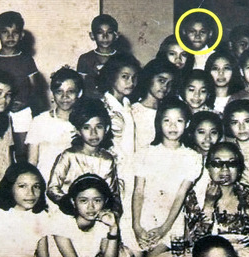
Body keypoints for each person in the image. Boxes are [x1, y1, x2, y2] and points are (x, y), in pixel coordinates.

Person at [184, 142, 249, 250]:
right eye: (218, 164)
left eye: (232, 163)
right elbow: (195, 241)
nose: (225, 169)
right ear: (208, 167)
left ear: (239, 169)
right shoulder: (195, 196)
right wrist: (209, 204)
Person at [132, 97, 202, 255]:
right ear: (159, 123)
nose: (172, 126)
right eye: (167, 121)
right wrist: (137, 226)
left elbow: (180, 195)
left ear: (187, 124)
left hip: (171, 220)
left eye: (179, 121)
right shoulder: (145, 152)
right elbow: (138, 191)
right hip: (142, 217)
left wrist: (164, 228)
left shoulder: (192, 157)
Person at [53, 174, 121, 257]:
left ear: (105, 201)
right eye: (84, 201)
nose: (91, 207)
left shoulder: (103, 223)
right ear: (73, 201)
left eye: (97, 200)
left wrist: (113, 228)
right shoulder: (61, 222)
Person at [0, 11, 39, 153]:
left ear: (22, 35)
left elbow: (36, 89)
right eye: (5, 32)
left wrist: (24, 103)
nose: (10, 36)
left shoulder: (26, 60)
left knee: (22, 149)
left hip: (21, 110)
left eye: (15, 32)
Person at [46, 98, 119, 204]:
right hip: (68, 214)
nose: (93, 133)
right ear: (78, 131)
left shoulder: (107, 159)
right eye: (86, 127)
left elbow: (113, 195)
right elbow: (52, 188)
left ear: (106, 129)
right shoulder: (69, 156)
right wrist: (71, 205)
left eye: (98, 127)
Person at [26, 67, 83, 180]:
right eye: (59, 92)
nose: (64, 97)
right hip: (46, 186)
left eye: (70, 91)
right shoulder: (39, 122)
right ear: (53, 94)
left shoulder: (85, 123)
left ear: (79, 93)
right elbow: (32, 162)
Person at [98, 53, 141, 186]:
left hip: (130, 169)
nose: (131, 82)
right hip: (112, 170)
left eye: (134, 78)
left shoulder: (128, 105)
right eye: (125, 77)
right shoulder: (103, 107)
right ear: (111, 77)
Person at [130, 59, 178, 152]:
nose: (165, 87)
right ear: (149, 78)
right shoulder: (133, 110)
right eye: (161, 80)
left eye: (169, 83)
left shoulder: (169, 111)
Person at [77, 14, 120, 98]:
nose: (105, 37)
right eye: (100, 32)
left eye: (109, 32)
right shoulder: (85, 59)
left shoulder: (123, 58)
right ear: (92, 35)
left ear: (116, 35)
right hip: (92, 104)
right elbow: (80, 87)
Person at [206, 49, 242, 114]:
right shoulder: (202, 99)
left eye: (226, 68)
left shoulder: (241, 98)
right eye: (215, 68)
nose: (221, 73)